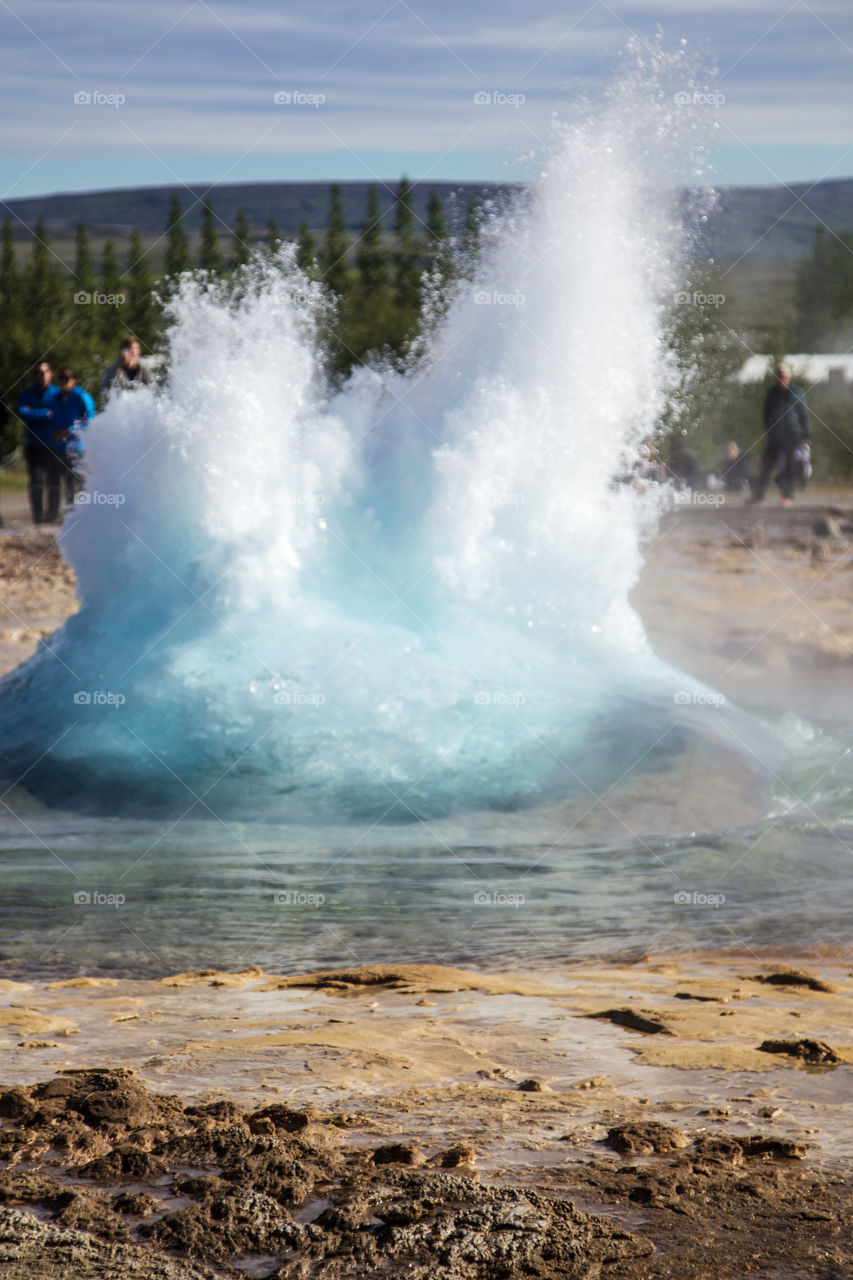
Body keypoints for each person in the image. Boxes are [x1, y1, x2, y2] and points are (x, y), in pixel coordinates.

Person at [751, 363, 811, 505]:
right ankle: (758, 495)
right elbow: (765, 413)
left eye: (783, 376)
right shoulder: (772, 393)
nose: (781, 379)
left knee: (790, 466)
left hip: (792, 434)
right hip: (775, 434)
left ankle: (788, 496)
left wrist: (807, 434)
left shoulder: (796, 392)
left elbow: (804, 414)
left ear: (789, 377)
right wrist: (769, 429)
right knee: (766, 464)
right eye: (778, 376)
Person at [17, 359, 62, 523]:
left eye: (43, 372)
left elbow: (59, 415)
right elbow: (23, 413)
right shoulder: (26, 394)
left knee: (54, 482)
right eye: (36, 373)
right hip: (34, 445)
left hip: (53, 445)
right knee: (36, 482)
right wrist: (46, 414)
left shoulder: (58, 394)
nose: (40, 376)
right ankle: (37, 517)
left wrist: (36, 413)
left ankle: (52, 517)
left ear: (50, 373)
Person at [52, 367, 95, 506]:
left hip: (79, 446)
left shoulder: (82, 396)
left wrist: (70, 431)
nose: (64, 382)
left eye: (67, 379)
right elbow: (52, 418)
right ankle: (71, 510)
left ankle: (83, 510)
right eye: (61, 379)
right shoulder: (56, 398)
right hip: (62, 446)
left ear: (74, 381)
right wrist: (54, 432)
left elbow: (90, 421)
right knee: (68, 482)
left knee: (81, 481)